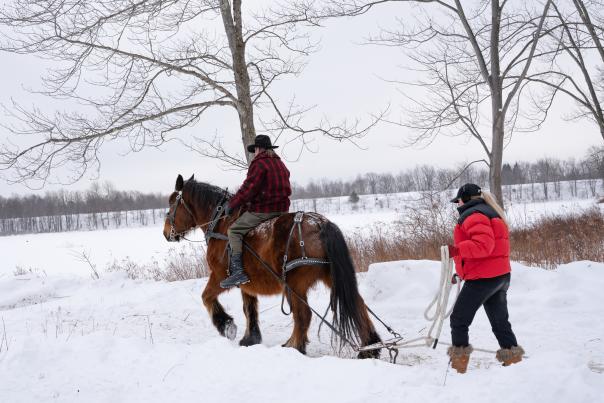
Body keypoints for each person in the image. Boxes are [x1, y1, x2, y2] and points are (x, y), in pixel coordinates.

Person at [446, 183, 524, 374]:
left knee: (458, 320)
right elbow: (492, 250)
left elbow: (483, 246)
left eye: (458, 201)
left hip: (483, 279)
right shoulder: (492, 212)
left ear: (464, 199)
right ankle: (513, 360)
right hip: (500, 276)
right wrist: (461, 271)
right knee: (499, 321)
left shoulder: (473, 215)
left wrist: (456, 250)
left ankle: (459, 366)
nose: (457, 205)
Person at [220, 135, 291, 289]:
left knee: (234, 231)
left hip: (264, 211)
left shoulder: (258, 164)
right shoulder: (280, 163)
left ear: (258, 149)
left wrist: (232, 204)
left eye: (255, 150)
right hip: (283, 210)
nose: (254, 153)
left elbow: (248, 189)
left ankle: (238, 272)